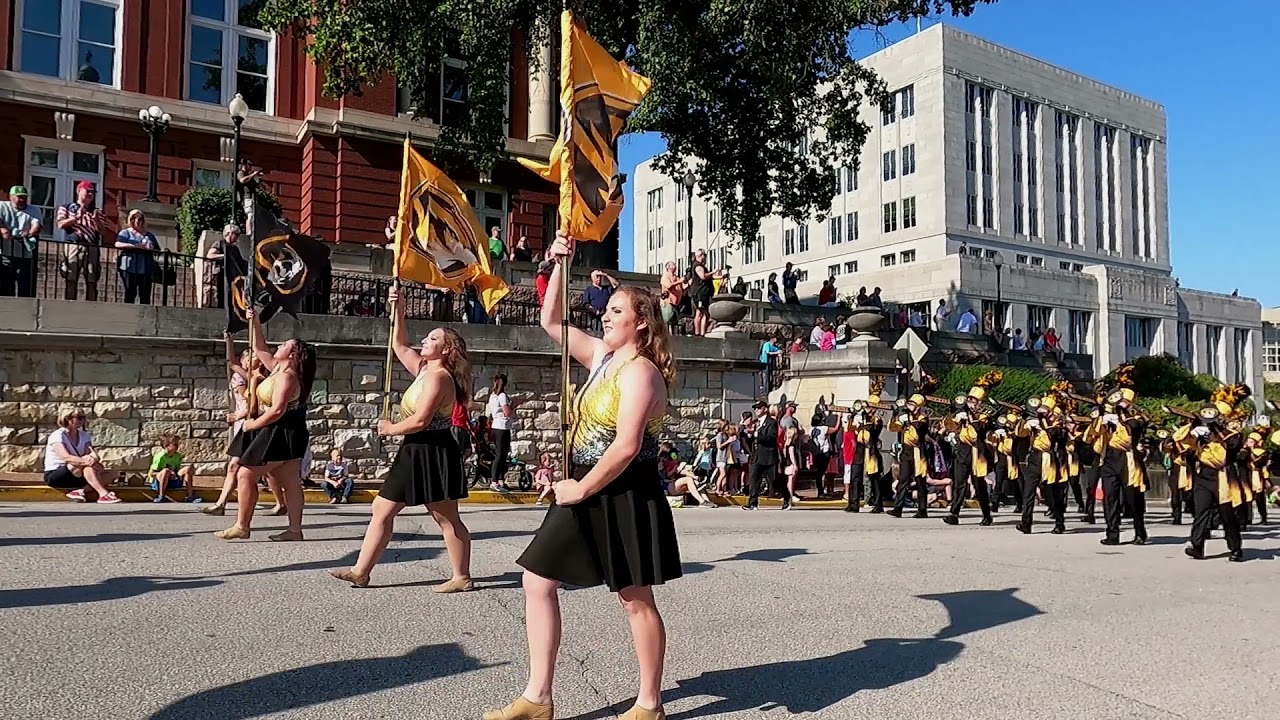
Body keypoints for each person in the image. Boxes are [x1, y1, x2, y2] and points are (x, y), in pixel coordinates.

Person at [483, 230, 681, 720]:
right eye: (607, 309)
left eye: (616, 311)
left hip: (624, 491)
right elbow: (551, 320)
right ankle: (538, 697)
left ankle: (649, 704)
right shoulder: (602, 358)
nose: (605, 315)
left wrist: (579, 486)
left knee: (633, 598)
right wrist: (552, 262)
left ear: (641, 323)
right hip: (583, 487)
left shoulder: (641, 372)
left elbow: (628, 445)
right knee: (536, 579)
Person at [331, 286, 474, 590]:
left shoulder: (439, 378)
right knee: (382, 508)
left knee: (446, 518)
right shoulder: (424, 369)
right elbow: (398, 344)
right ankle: (361, 570)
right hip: (415, 450)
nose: (425, 340)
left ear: (446, 349)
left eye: (433, 338)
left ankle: (461, 577)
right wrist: (399, 307)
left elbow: (421, 420)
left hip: (434, 450)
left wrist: (390, 429)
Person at [213, 310, 315, 542]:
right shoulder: (277, 368)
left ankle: (242, 525)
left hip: (282, 429)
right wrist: (255, 320)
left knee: (246, 474)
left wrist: (251, 425)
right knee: (289, 481)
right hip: (280, 429)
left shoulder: (288, 375)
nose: (278, 346)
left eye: (284, 345)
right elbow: (260, 348)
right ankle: (294, 530)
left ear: (292, 353)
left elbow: (278, 410)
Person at [1178, 400, 1246, 562]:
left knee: (1227, 515)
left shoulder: (1231, 433)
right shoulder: (1199, 432)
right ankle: (1197, 546)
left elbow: (1234, 445)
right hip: (1204, 476)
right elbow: (1181, 445)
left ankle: (1236, 548)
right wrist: (1193, 432)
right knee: (1201, 511)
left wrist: (1215, 430)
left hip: (1223, 476)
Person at [1085, 384, 1149, 546]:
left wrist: (1121, 418)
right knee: (1110, 497)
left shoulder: (1135, 415)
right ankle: (1112, 534)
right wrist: (1101, 419)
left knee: (1132, 498)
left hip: (1128, 458)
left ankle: (1140, 531)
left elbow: (1136, 428)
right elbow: (1093, 434)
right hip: (1110, 458)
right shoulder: (1107, 415)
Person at [944, 379, 998, 527]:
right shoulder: (961, 414)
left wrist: (970, 418)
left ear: (980, 403)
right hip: (963, 451)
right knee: (959, 484)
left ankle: (987, 515)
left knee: (979, 485)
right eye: (969, 400)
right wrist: (955, 417)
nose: (971, 403)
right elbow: (949, 426)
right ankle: (954, 514)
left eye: (974, 401)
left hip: (978, 452)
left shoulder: (984, 415)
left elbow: (979, 430)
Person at [43, 409, 121, 504]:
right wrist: (87, 462)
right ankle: (103, 494)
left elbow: (92, 453)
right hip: (58, 474)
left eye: (83, 418)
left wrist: (93, 459)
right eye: (79, 418)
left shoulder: (84, 435)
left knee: (112, 474)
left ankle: (81, 491)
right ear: (68, 419)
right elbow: (65, 457)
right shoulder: (57, 435)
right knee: (84, 464)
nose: (82, 420)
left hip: (79, 472)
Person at [56, 180, 105, 301]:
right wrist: (75, 218)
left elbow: (103, 232)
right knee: (71, 278)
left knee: (92, 279)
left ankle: (91, 306)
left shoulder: (96, 211)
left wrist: (96, 221)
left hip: (92, 246)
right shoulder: (66, 207)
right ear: (78, 191)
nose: (90, 194)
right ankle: (70, 305)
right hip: (73, 245)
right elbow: (60, 224)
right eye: (87, 191)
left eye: (92, 192)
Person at [889, 395, 930, 518]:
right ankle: (898, 508)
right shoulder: (905, 415)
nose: (909, 407)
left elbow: (918, 430)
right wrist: (896, 416)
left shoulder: (923, 418)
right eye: (909, 404)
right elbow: (893, 428)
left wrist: (908, 421)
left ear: (918, 407)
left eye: (912, 405)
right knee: (903, 479)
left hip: (918, 452)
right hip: (906, 452)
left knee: (920, 481)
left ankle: (922, 509)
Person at [0, 185, 43, 297]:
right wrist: (3, 229)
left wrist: (31, 233)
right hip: (5, 253)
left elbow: (37, 224)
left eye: (24, 197)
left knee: (26, 288)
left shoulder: (34, 210)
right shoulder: (2, 206)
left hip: (26, 254)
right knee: (6, 286)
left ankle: (26, 311)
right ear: (11, 197)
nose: (22, 200)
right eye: (19, 197)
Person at [114, 209, 160, 304]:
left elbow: (157, 249)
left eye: (140, 219)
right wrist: (134, 246)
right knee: (130, 293)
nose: (136, 221)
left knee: (145, 295)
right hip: (129, 267)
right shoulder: (125, 232)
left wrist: (150, 248)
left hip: (145, 268)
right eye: (133, 219)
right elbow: (117, 244)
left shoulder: (149, 235)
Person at [744, 401, 780, 511]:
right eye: (755, 408)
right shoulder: (756, 422)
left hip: (768, 456)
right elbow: (752, 439)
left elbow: (771, 438)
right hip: (757, 456)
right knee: (754, 479)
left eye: (759, 408)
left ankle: (786, 498)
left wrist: (756, 434)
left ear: (765, 409)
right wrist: (750, 434)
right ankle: (752, 503)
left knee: (774, 480)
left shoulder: (771, 422)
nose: (756, 410)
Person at [148, 433, 197, 503]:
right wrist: (168, 473)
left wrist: (175, 475)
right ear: (167, 446)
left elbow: (177, 470)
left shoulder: (177, 456)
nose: (177, 446)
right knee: (166, 471)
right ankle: (161, 495)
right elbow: (152, 474)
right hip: (159, 482)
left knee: (188, 469)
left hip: (172, 480)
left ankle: (190, 496)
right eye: (175, 444)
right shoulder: (160, 457)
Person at [487, 373, 515, 492]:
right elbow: (507, 412)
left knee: (502, 454)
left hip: (496, 426)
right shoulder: (502, 395)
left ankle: (500, 480)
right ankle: (494, 482)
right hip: (502, 426)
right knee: (500, 455)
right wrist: (515, 404)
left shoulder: (493, 396)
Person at [687, 249, 716, 336]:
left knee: (705, 314)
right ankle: (698, 332)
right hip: (700, 293)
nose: (704, 258)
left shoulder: (702, 267)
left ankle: (702, 332)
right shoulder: (698, 266)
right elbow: (703, 276)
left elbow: (709, 277)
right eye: (703, 256)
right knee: (699, 312)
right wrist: (713, 272)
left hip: (704, 293)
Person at [658, 261, 686, 332]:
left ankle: (674, 335)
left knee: (674, 321)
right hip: (668, 302)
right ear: (668, 267)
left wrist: (689, 283)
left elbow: (682, 288)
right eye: (672, 264)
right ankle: (667, 335)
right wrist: (679, 281)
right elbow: (669, 286)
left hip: (676, 303)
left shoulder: (677, 277)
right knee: (667, 320)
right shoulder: (665, 276)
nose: (675, 266)